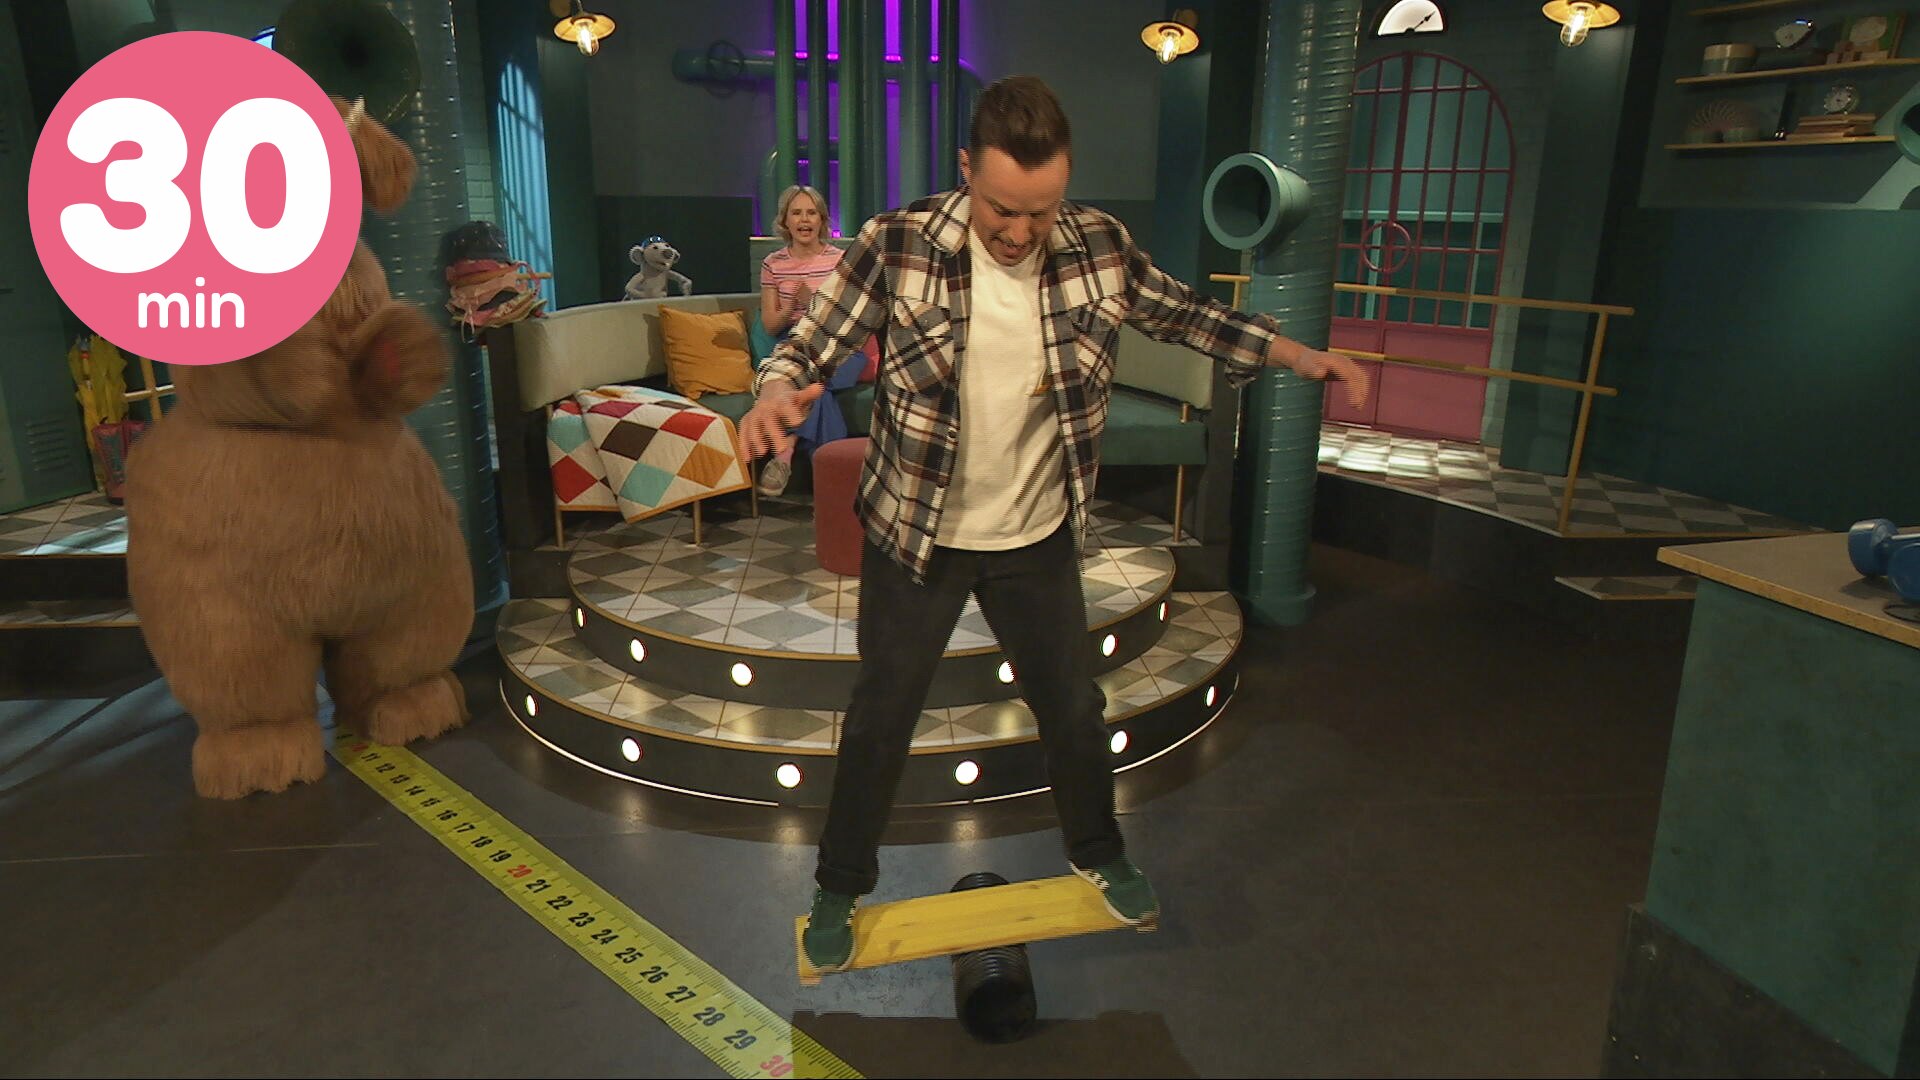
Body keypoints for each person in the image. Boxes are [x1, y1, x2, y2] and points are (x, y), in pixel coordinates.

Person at [740, 75, 1370, 974]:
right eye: (1003, 209)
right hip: (917, 534)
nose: (1020, 231)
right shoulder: (899, 242)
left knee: (1073, 709)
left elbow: (1186, 314)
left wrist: (1292, 352)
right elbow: (812, 341)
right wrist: (774, 387)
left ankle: (1100, 854)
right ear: (967, 169)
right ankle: (839, 886)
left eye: (1040, 211)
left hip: (1034, 536)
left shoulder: (1098, 246)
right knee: (881, 718)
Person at [755, 185, 878, 496]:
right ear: (785, 221)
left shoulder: (842, 260)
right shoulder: (773, 263)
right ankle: (835, 481)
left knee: (812, 378)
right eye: (796, 213)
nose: (804, 219)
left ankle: (785, 451)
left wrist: (813, 304)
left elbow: (854, 315)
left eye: (811, 213)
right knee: (817, 387)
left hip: (839, 343)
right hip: (793, 343)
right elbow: (770, 325)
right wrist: (790, 307)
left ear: (822, 219)